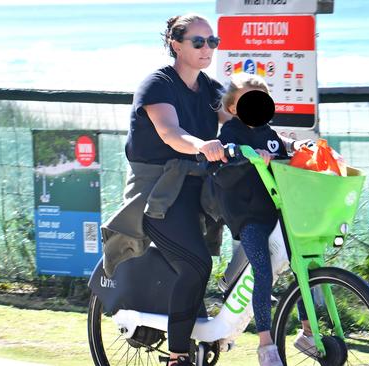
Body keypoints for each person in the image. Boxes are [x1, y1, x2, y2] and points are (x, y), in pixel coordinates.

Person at [101, 13, 228, 366]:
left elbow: (239, 123)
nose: (208, 49)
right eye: (198, 42)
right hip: (156, 196)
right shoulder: (157, 85)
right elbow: (171, 132)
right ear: (176, 44)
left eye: (212, 42)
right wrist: (204, 145)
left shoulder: (211, 89)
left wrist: (280, 144)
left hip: (195, 188)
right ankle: (177, 356)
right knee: (196, 264)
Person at [211, 72, 318, 365]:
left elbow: (280, 149)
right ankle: (265, 344)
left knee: (303, 264)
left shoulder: (267, 132)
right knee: (263, 272)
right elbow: (227, 161)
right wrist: (245, 155)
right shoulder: (231, 133)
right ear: (233, 107)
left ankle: (308, 332)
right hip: (248, 214)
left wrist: (297, 148)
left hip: (277, 210)